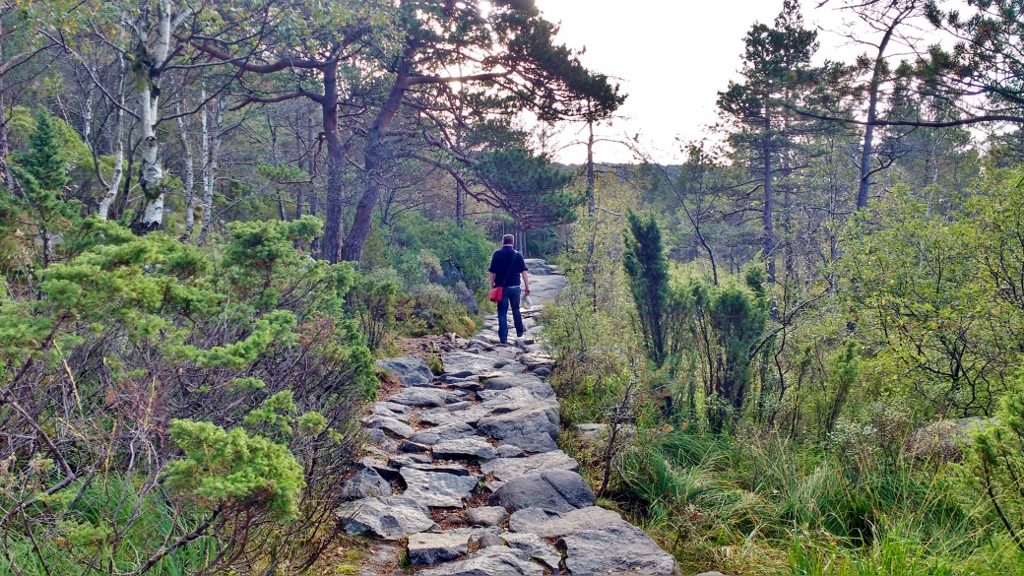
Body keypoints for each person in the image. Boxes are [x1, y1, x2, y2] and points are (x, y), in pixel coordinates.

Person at [488, 234, 530, 344]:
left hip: (501, 289)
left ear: (502, 241)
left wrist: (492, 287)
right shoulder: (517, 255)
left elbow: (492, 272)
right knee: (516, 310)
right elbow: (524, 272)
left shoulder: (497, 254)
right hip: (515, 288)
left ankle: (503, 338)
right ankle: (520, 332)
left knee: (502, 313)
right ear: (513, 242)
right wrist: (527, 286)